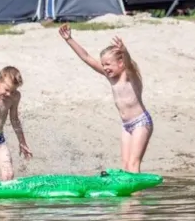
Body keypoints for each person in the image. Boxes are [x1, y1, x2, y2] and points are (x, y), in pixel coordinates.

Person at [58, 25, 152, 173]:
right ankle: (130, 196)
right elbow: (86, 57)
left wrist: (124, 50)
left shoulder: (129, 75)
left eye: (108, 64)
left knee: (134, 164)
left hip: (141, 122)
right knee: (126, 166)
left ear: (120, 63)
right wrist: (69, 39)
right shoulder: (110, 77)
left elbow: (128, 63)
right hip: (126, 125)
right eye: (103, 65)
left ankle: (136, 197)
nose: (105, 68)